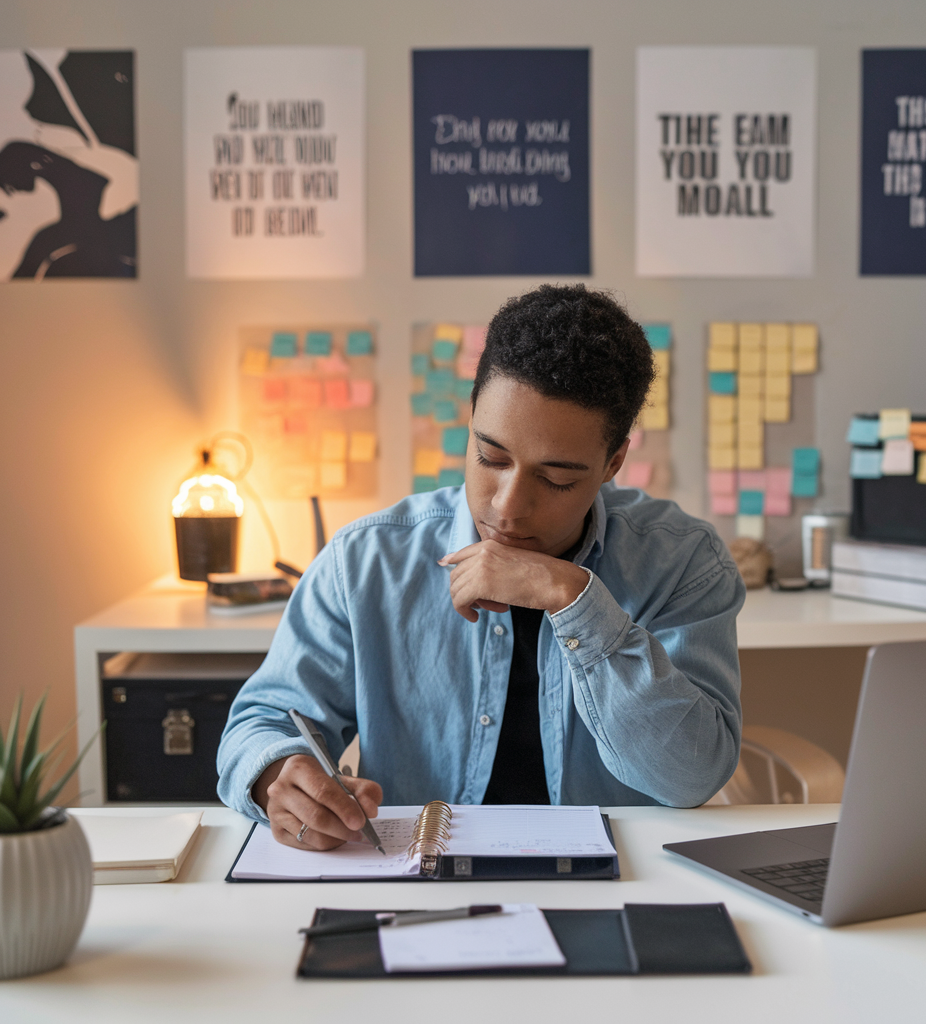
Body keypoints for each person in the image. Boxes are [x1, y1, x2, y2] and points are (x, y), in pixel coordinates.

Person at [217, 284, 745, 851]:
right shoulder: (365, 562)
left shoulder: (683, 561)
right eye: (491, 457)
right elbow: (260, 722)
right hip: (418, 895)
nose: (507, 506)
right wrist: (281, 776)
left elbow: (690, 776)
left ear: (613, 461)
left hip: (613, 891)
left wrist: (574, 599)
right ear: (470, 420)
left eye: (557, 478)